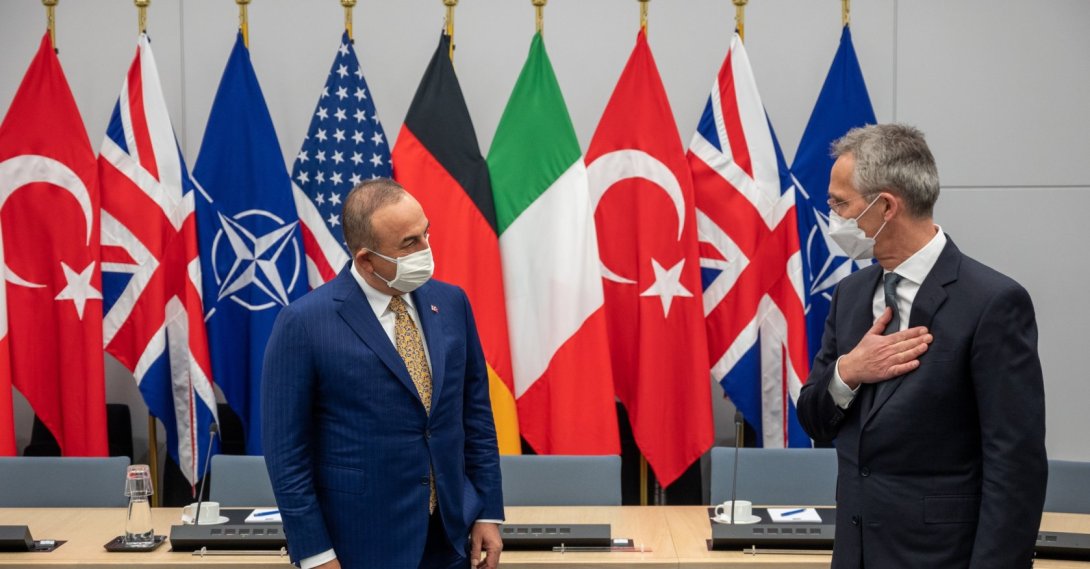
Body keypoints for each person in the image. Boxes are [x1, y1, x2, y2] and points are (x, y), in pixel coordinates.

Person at [796, 124, 1047, 568]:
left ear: (886, 206)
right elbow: (816, 421)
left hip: (940, 558)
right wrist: (847, 373)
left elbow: (1015, 469)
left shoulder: (992, 303)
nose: (831, 214)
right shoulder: (851, 295)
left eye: (839, 203)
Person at [262, 178, 504, 569]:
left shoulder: (452, 303)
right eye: (409, 243)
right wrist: (315, 553)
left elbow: (475, 416)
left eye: (426, 233)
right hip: (360, 544)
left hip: (452, 540)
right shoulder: (304, 324)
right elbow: (286, 455)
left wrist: (488, 510)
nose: (426, 250)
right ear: (365, 260)